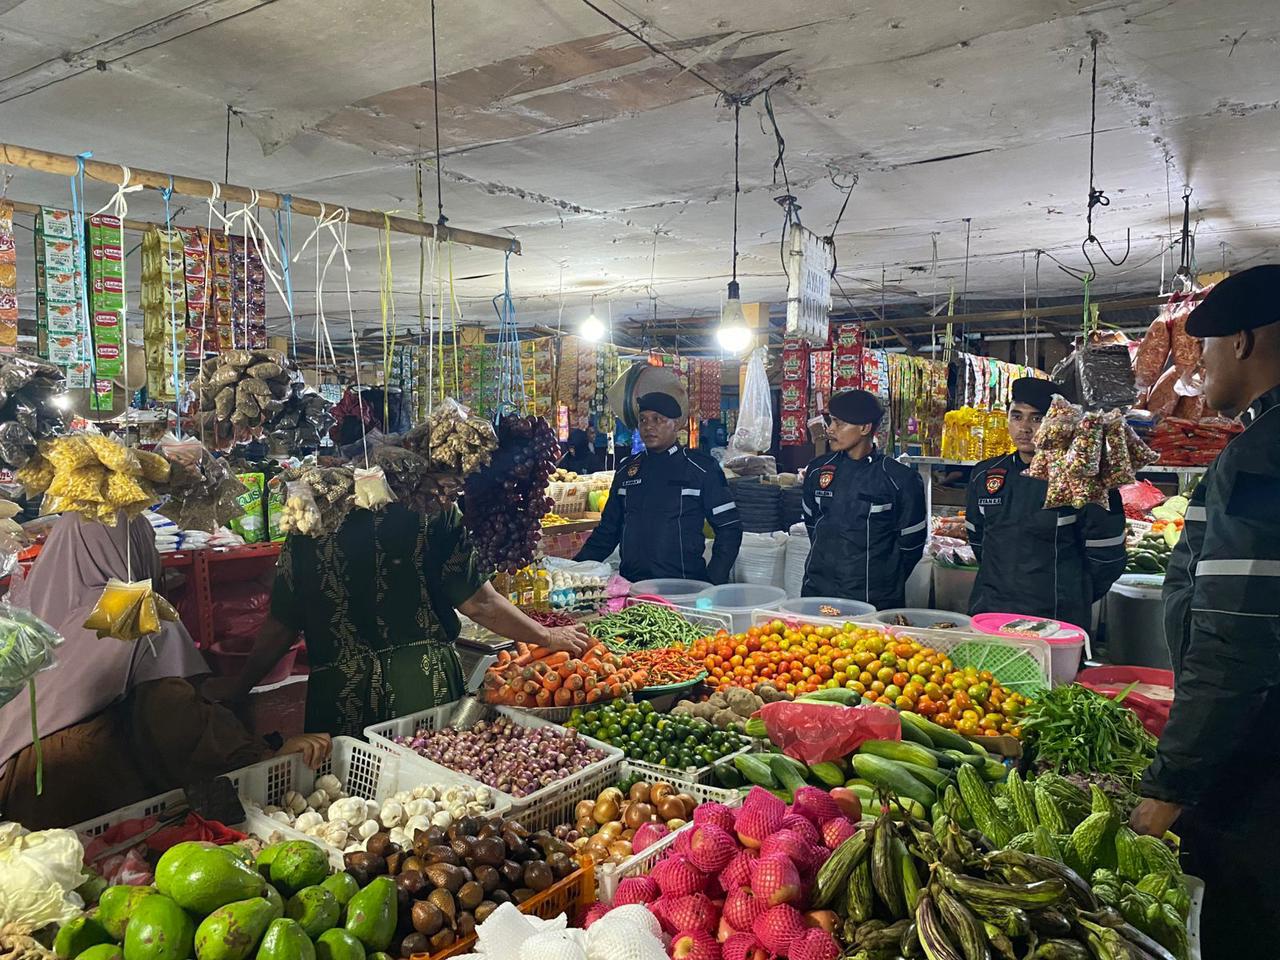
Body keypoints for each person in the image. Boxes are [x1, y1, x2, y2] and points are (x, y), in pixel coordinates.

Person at [0, 512, 330, 829]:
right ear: (138, 549)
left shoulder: (32, 624)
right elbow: (178, 719)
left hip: (18, 796)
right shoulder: (130, 608)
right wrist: (266, 756)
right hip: (80, 803)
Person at [1128, 265, 1280, 954]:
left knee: (1242, 920)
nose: (1199, 369)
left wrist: (1171, 783)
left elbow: (1236, 634)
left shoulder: (1262, 458)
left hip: (1255, 760)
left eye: (1208, 348)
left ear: (1244, 342)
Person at [213, 501, 591, 737]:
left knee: (341, 810)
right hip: (420, 689)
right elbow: (480, 603)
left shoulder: (307, 519)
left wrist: (240, 686)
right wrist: (548, 637)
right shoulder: (433, 508)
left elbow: (281, 623)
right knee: (427, 811)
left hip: (337, 696)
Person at [965, 377, 1126, 629]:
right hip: (991, 613)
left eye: (1037, 418)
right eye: (1016, 416)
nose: (1025, 428)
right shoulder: (985, 475)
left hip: (1055, 620)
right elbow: (978, 540)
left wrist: (1072, 597)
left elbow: (1107, 558)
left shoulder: (1083, 479)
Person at [576, 393, 741, 583]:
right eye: (643, 420)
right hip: (632, 586)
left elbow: (729, 529)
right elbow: (607, 532)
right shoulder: (627, 469)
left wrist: (712, 582)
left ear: (677, 424)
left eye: (658, 419)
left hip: (683, 588)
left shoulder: (701, 468)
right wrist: (575, 570)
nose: (648, 426)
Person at [801, 390, 927, 607]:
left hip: (874, 599)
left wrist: (882, 580)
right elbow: (813, 525)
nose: (830, 429)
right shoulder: (818, 470)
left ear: (865, 428)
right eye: (831, 421)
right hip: (818, 591)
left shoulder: (899, 479)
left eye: (839, 423)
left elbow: (911, 545)